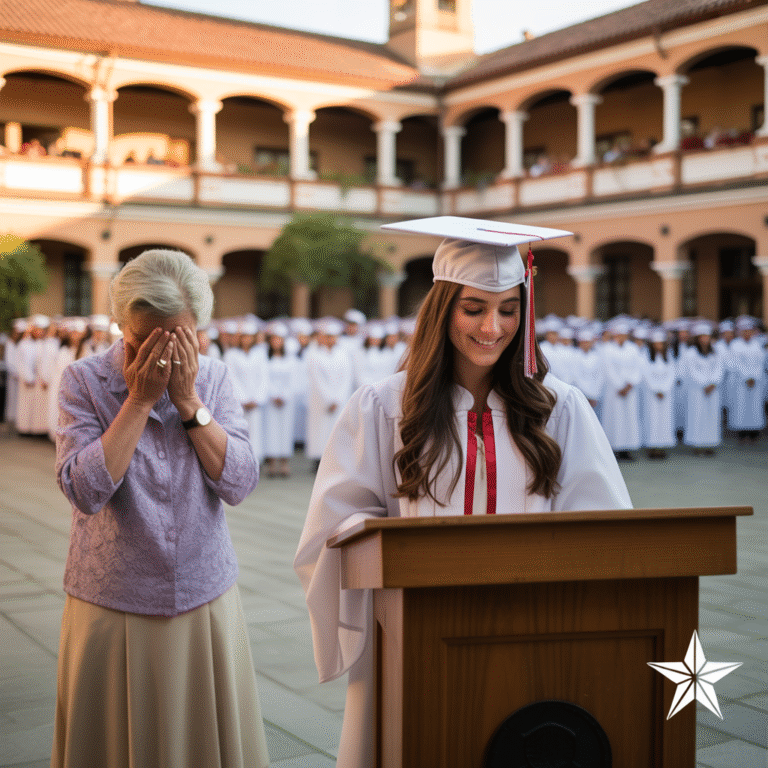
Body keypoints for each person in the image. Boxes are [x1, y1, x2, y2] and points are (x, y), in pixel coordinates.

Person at [294, 216, 632, 768]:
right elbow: (332, 531)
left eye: (508, 309)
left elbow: (602, 524)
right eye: (473, 308)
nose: (492, 328)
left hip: (531, 628)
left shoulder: (558, 407)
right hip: (414, 632)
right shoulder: (385, 408)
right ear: (442, 310)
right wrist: (405, 554)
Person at [52, 249, 269, 768]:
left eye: (181, 339)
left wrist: (191, 403)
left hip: (202, 593)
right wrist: (139, 402)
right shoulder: (82, 381)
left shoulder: (212, 377)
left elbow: (239, 482)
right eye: (144, 341)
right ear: (121, 325)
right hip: (113, 596)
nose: (164, 355)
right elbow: (84, 490)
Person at [682, 321, 724, 455]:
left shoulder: (715, 352)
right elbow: (691, 371)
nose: (705, 339)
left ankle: (709, 443)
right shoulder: (691, 353)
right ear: (697, 338)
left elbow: (719, 369)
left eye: (707, 336)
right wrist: (704, 384)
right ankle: (697, 444)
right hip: (697, 390)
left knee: (711, 416)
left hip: (713, 390)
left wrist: (713, 383)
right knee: (697, 416)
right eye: (702, 336)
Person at [640, 329, 676, 458]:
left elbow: (672, 374)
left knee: (664, 420)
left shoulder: (669, 355)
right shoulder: (646, 356)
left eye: (661, 343)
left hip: (665, 394)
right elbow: (646, 375)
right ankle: (651, 446)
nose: (659, 346)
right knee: (652, 419)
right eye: (656, 343)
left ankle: (661, 446)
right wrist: (656, 389)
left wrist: (664, 389)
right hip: (652, 394)